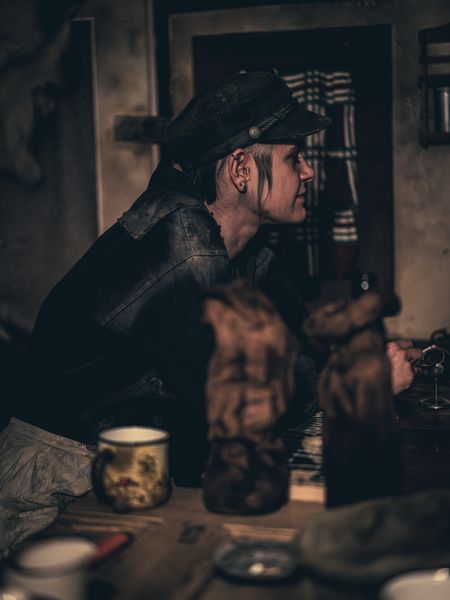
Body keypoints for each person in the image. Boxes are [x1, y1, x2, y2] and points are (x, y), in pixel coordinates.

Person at [13, 71, 419, 486]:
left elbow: (296, 354)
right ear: (241, 168)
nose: (308, 171)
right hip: (56, 471)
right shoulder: (184, 245)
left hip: (125, 460)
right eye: (293, 157)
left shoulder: (247, 253)